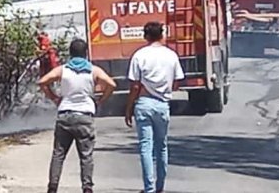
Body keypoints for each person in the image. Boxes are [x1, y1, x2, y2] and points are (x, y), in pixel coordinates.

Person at [39, 38, 116, 193]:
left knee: (58, 155)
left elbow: (42, 81)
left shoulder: (63, 69)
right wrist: (101, 100)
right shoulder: (93, 70)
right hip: (84, 116)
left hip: (65, 115)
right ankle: (87, 188)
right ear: (86, 53)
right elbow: (112, 84)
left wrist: (54, 97)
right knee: (86, 156)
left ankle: (52, 188)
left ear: (70, 53)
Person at [125, 22, 185, 193]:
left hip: (144, 103)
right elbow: (178, 80)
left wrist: (128, 108)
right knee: (162, 146)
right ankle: (160, 187)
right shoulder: (171, 55)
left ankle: (149, 188)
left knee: (146, 147)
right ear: (162, 35)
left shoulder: (139, 55)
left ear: (146, 36)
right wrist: (167, 89)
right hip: (162, 104)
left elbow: (135, 86)